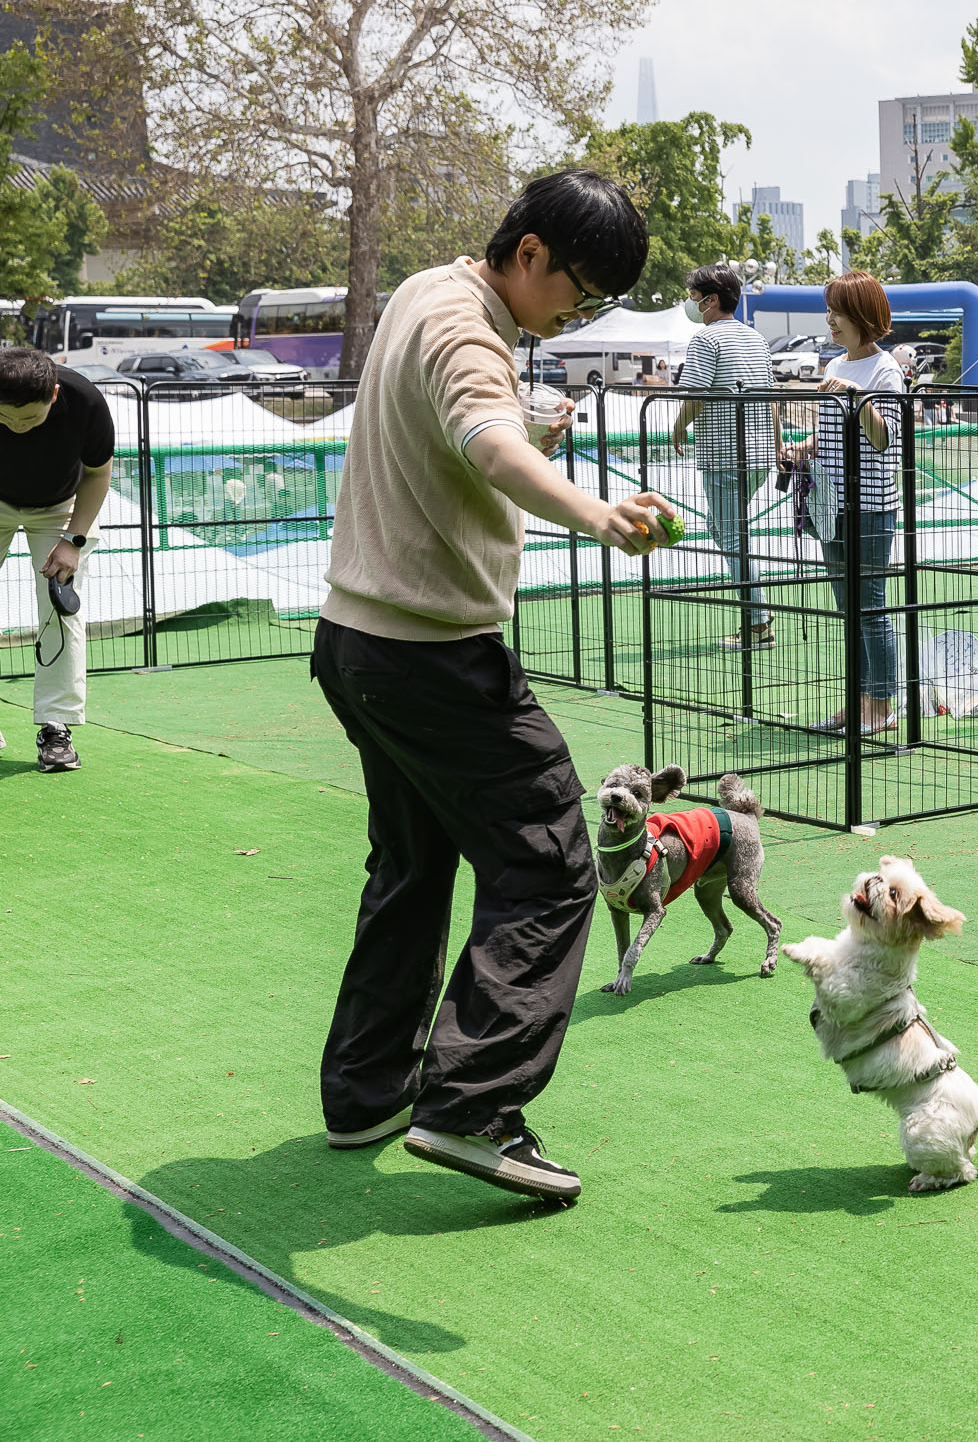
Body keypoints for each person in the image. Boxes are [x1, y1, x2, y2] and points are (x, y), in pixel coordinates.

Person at [313, 169, 674, 1202]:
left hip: (357, 642)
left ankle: (366, 1088)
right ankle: (473, 1106)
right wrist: (597, 513)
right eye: (579, 290)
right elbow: (483, 438)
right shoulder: (472, 332)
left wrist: (530, 441)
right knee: (553, 858)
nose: (575, 311)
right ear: (528, 256)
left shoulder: (426, 291)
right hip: (430, 653)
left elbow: (471, 440)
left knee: (415, 861)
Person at [790, 271, 909, 736]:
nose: (830, 319)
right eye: (830, 310)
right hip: (829, 503)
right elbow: (833, 435)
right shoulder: (834, 365)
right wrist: (804, 448)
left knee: (871, 605)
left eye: (838, 311)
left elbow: (887, 440)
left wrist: (857, 398)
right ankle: (857, 703)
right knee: (846, 608)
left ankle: (882, 705)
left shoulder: (885, 372)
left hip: (873, 506)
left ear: (862, 315)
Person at [0, 347, 113, 772]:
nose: (17, 427)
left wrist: (74, 540)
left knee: (61, 611)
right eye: (6, 419)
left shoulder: (85, 402)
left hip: (60, 507)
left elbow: (99, 473)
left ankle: (56, 727)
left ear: (53, 396)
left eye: (27, 419)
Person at [671, 262, 780, 650]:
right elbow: (771, 398)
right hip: (759, 454)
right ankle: (758, 617)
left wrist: (678, 425)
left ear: (711, 301)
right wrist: (778, 446)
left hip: (723, 456)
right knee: (728, 530)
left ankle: (758, 623)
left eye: (694, 297)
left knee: (732, 536)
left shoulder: (706, 340)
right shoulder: (756, 339)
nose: (690, 303)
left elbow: (695, 393)